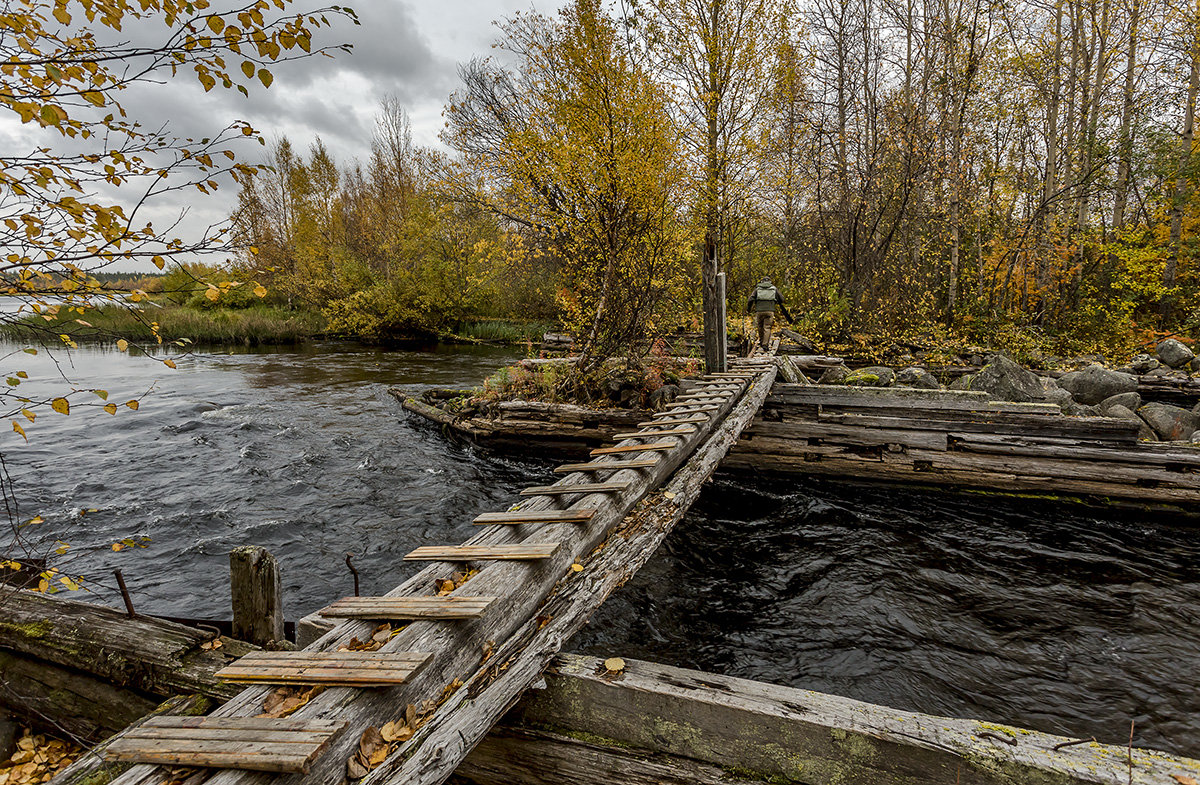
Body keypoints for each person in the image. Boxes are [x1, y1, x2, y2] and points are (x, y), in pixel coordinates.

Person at [746, 277, 792, 350]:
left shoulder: (757, 289)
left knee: (760, 326)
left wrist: (748, 309)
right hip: (770, 311)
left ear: (762, 282)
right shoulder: (774, 289)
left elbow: (750, 299)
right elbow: (782, 299)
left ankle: (761, 342)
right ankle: (765, 344)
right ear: (770, 282)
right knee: (767, 327)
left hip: (759, 311)